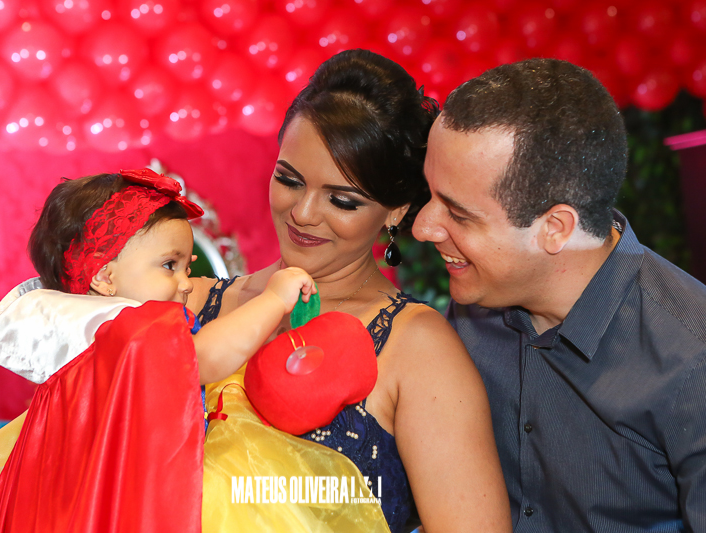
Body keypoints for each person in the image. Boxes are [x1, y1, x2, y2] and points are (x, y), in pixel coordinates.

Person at [188, 49, 511, 533]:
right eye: (289, 180)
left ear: (395, 210)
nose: (303, 213)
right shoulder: (191, 302)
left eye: (341, 200)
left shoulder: (417, 348)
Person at [0, 168, 318, 533]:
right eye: (170, 265)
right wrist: (273, 300)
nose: (186, 283)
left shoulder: (85, 326)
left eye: (188, 266)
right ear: (104, 276)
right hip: (132, 500)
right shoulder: (126, 326)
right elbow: (206, 358)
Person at [413, 58, 706, 532]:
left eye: (459, 215)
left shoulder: (692, 358)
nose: (423, 227)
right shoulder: (472, 309)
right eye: (429, 195)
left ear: (555, 228)